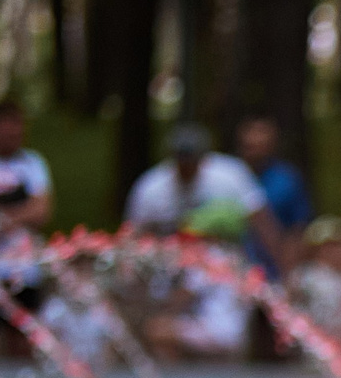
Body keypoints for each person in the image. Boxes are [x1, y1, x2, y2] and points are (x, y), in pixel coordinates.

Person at [125, 124, 284, 356]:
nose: (187, 165)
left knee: (159, 332)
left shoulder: (229, 177)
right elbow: (132, 239)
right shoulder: (151, 188)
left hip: (214, 310)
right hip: (170, 273)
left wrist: (278, 270)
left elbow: (263, 225)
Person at [235, 117, 313, 281]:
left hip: (273, 270)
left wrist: (290, 271)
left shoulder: (286, 180)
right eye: (250, 147)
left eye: (260, 146)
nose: (255, 152)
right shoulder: (230, 176)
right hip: (233, 270)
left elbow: (297, 230)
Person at [0, 98, 51, 319]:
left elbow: (41, 211)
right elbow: (32, 208)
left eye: (18, 124)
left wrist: (3, 219)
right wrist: (23, 211)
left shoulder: (33, 163)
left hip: (26, 270)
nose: (15, 131)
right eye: (8, 125)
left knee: (25, 336)